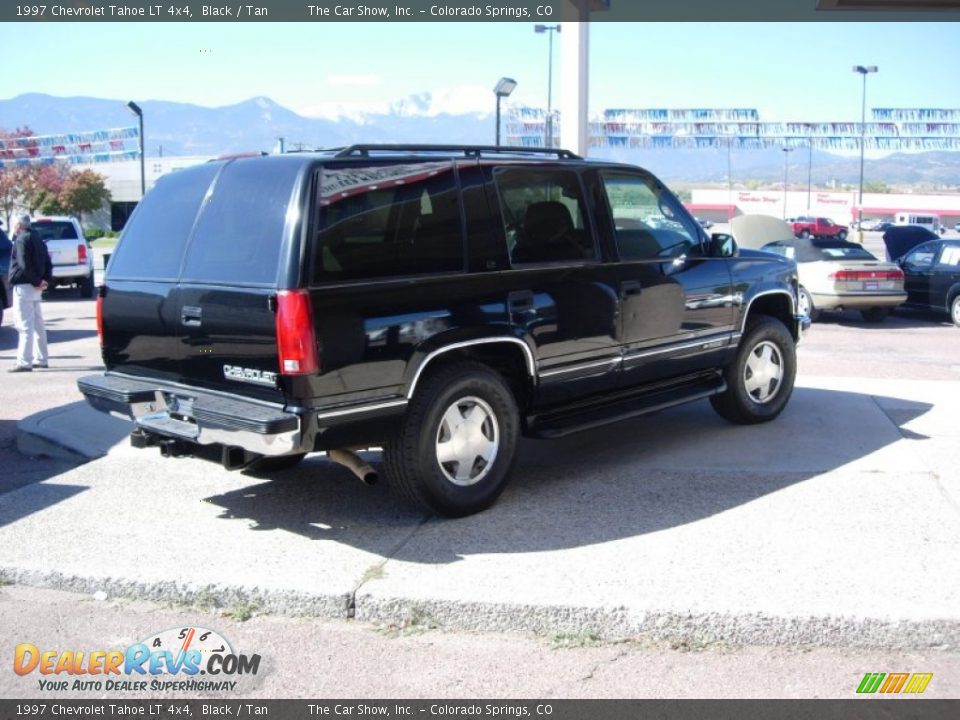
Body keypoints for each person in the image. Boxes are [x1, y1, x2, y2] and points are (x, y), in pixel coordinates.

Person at [8, 215, 52, 372]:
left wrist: (37, 281)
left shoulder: (21, 239)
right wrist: (44, 280)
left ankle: (24, 362)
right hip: (36, 287)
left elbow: (24, 264)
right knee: (38, 324)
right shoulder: (37, 238)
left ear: (19, 225)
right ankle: (41, 359)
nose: (13, 227)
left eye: (13, 224)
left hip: (25, 286)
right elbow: (48, 262)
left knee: (24, 326)